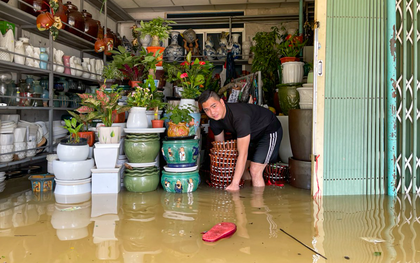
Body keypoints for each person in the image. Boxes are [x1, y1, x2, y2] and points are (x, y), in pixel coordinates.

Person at [199, 90, 282, 191]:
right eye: (206, 110)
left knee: (255, 170)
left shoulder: (239, 116)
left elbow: (243, 154)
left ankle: (258, 204)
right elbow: (221, 149)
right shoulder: (214, 121)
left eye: (214, 106)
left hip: (269, 130)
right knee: (241, 171)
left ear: (222, 102)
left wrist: (234, 184)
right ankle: (246, 197)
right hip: (251, 134)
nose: (212, 112)